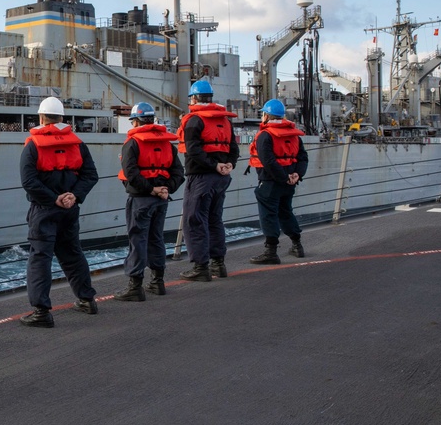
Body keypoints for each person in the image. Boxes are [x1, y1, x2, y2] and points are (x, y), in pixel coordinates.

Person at [19, 97, 99, 327]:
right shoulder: (78, 144)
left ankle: (42, 311)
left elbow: (29, 182)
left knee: (40, 259)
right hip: (70, 209)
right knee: (73, 253)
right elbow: (90, 175)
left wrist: (54, 199)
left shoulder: (33, 145)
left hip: (44, 210)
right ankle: (87, 299)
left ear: (41, 118)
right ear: (63, 118)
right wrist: (74, 196)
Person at [114, 102, 185, 300]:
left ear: (135, 121)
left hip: (141, 200)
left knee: (138, 240)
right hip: (162, 199)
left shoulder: (133, 143)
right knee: (156, 238)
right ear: (152, 120)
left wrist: (151, 189)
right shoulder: (167, 144)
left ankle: (135, 287)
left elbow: (130, 173)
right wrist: (166, 189)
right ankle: (157, 282)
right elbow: (179, 173)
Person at [178, 80, 239, 282]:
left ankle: (200, 267)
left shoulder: (195, 120)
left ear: (194, 98)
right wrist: (228, 164)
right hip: (222, 178)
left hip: (201, 177)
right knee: (214, 219)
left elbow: (194, 150)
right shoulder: (225, 120)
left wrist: (213, 166)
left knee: (194, 220)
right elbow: (234, 149)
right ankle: (218, 264)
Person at [248, 99, 308, 264]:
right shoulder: (294, 134)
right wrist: (296, 174)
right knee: (286, 211)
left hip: (270, 182)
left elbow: (268, 162)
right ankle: (297, 245)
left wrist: (283, 177)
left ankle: (271, 252)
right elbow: (302, 157)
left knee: (268, 215)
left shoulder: (265, 135)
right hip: (289, 183)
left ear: (266, 116)